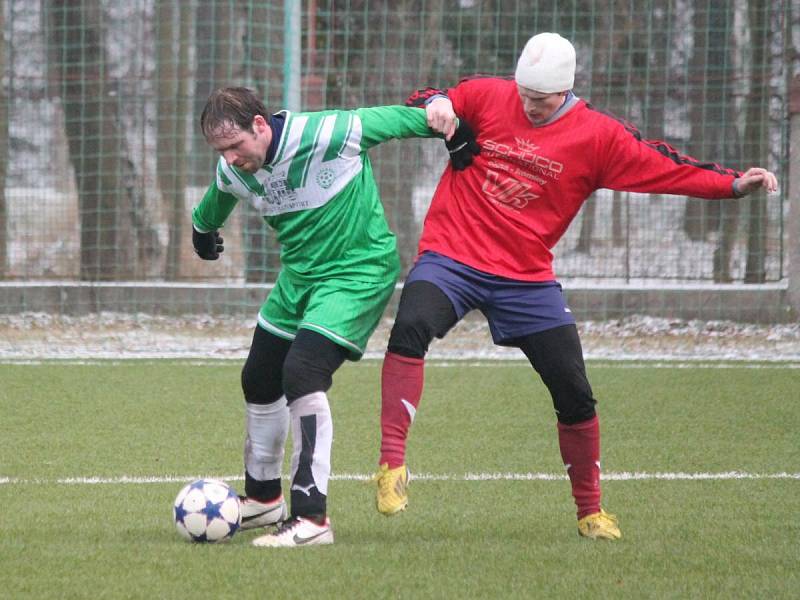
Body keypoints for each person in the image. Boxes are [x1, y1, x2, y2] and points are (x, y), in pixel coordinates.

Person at [372, 32, 778, 540]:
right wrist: (436, 106)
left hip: (525, 278)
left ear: (565, 89)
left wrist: (734, 183)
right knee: (410, 324)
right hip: (452, 255)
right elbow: (426, 98)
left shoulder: (599, 137)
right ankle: (392, 467)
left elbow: (664, 166)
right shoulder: (488, 93)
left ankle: (590, 511)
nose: (528, 106)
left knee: (574, 391)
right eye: (523, 95)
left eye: (539, 100)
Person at [192, 87, 475, 547]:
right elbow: (215, 202)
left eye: (235, 146)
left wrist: (445, 118)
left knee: (302, 372)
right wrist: (202, 230)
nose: (230, 158)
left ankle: (311, 518)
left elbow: (407, 119)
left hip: (356, 271)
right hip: (300, 276)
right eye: (221, 151)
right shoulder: (235, 170)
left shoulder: (329, 132)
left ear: (260, 126)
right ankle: (264, 499)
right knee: (260, 377)